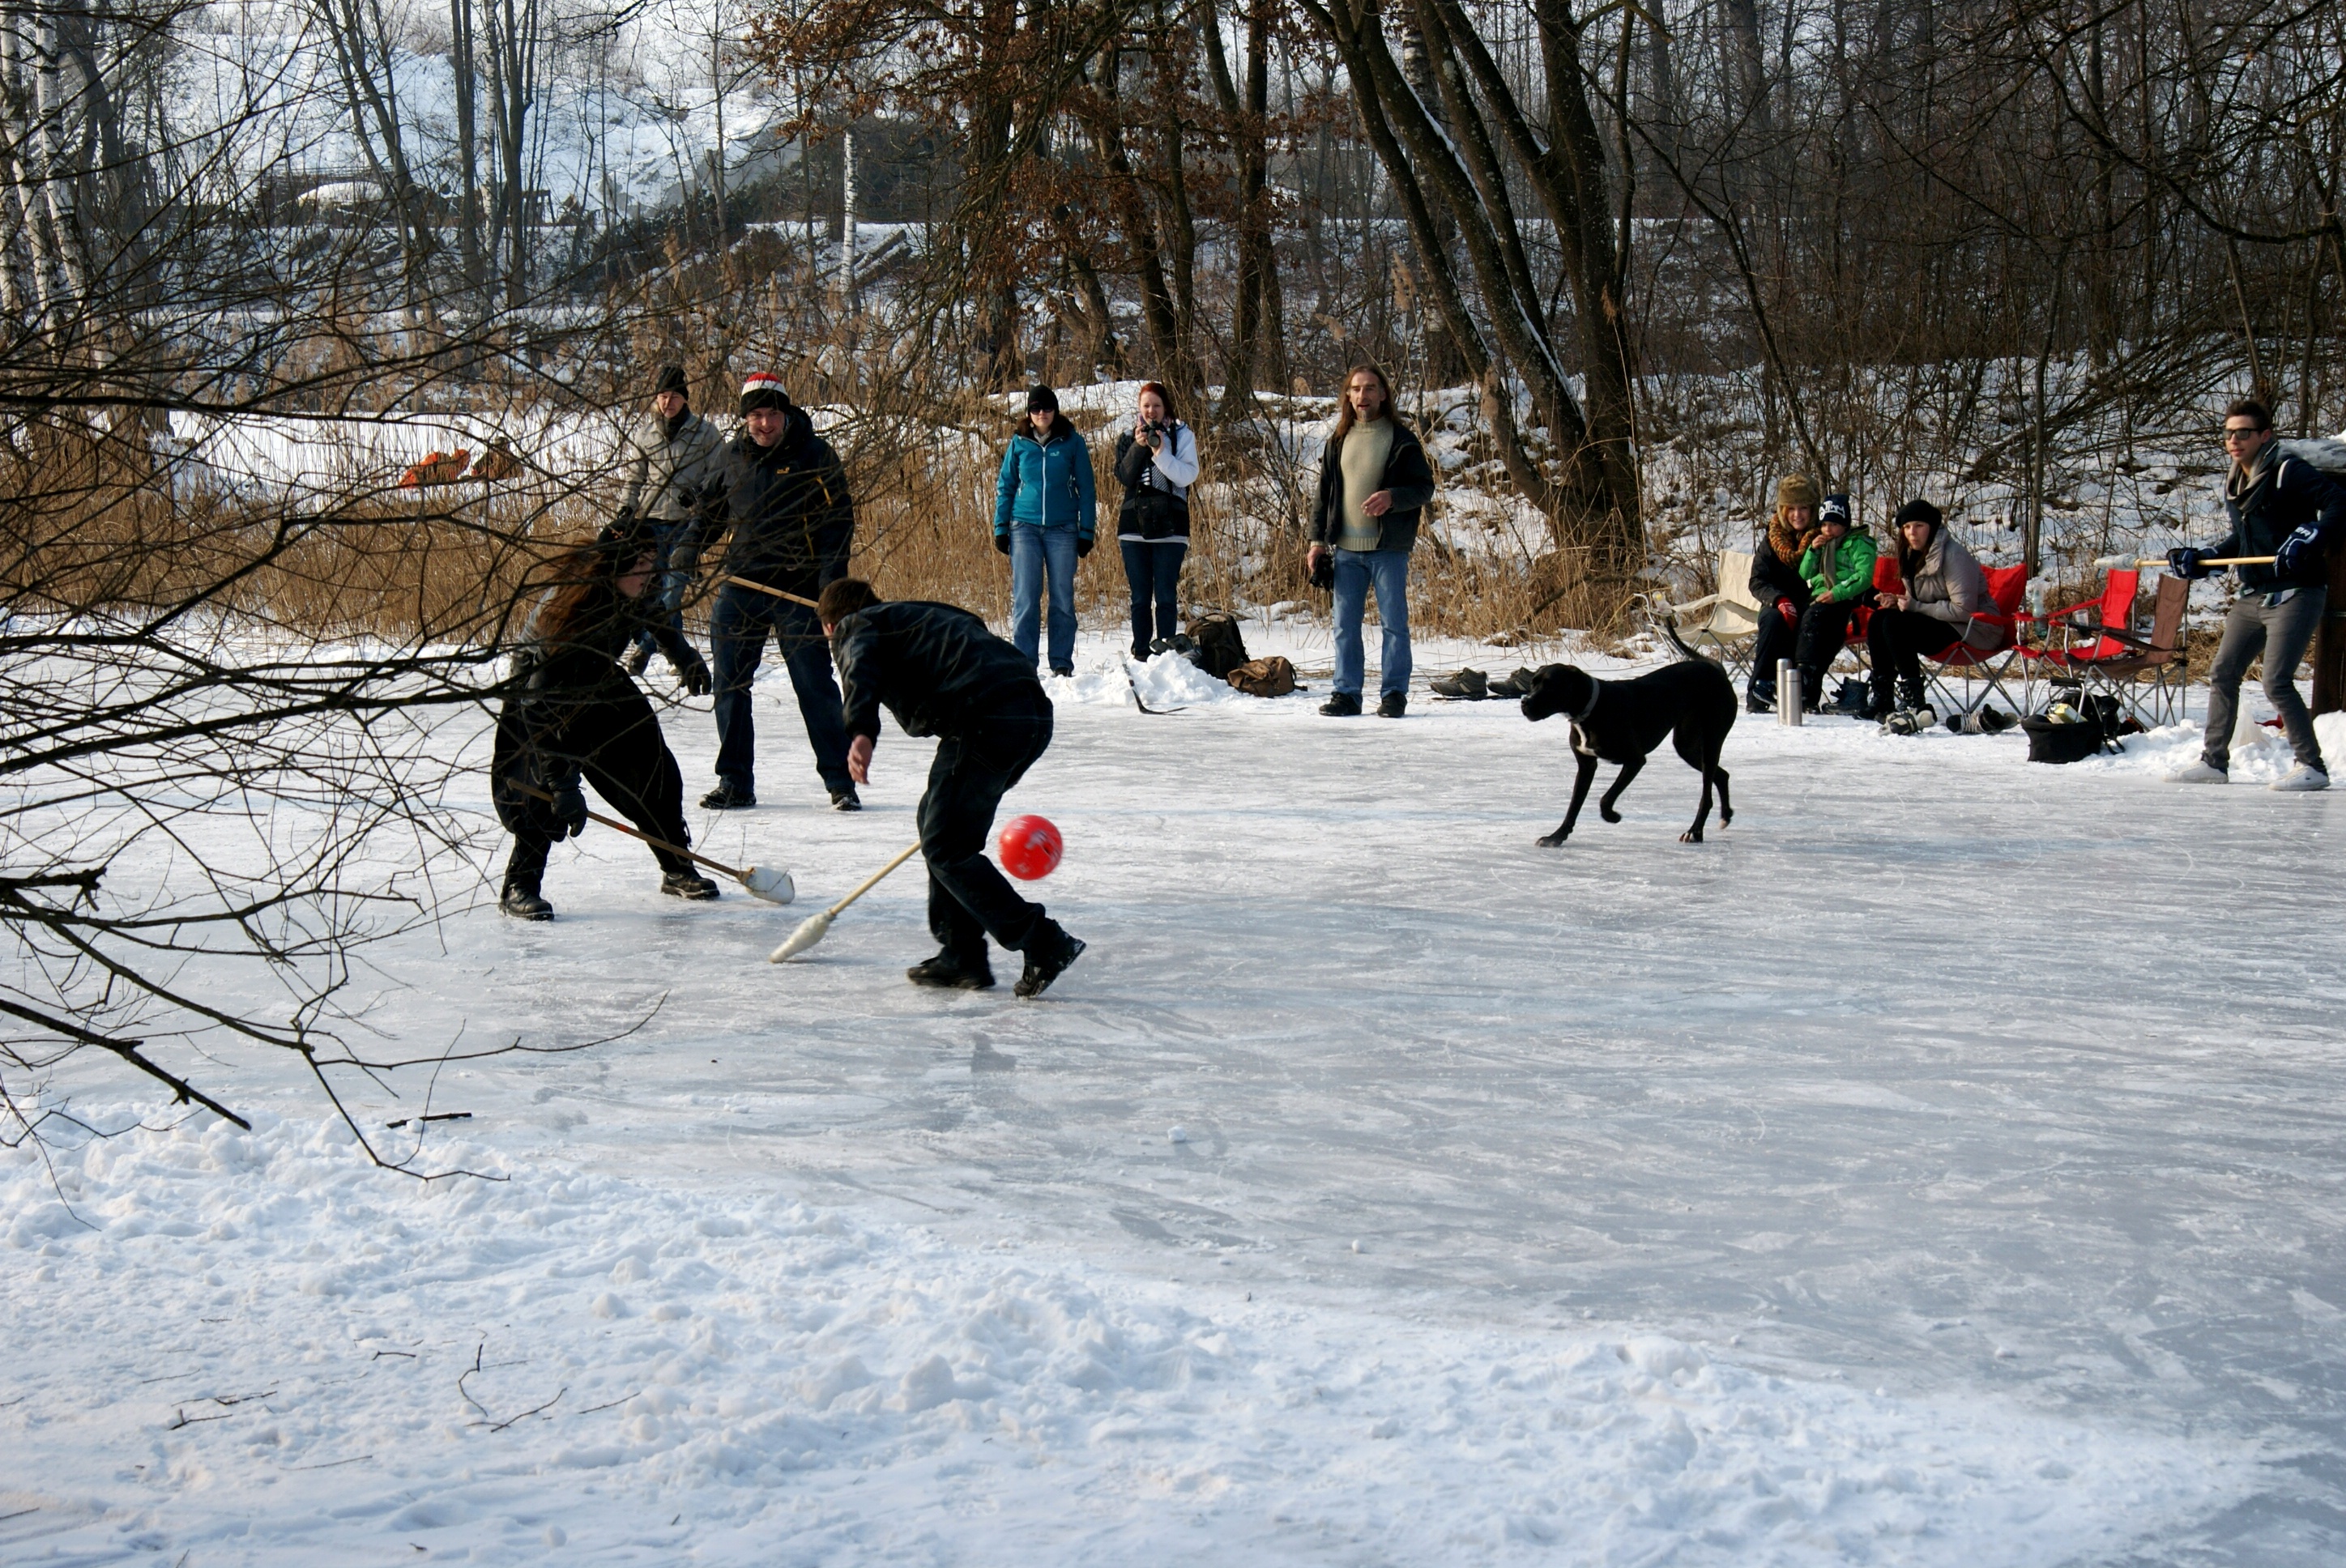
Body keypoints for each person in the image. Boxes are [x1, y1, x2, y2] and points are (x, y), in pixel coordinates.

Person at [821, 577, 1086, 998]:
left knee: (946, 845)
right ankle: (962, 955)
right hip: (1030, 716)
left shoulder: (856, 626)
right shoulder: (920, 615)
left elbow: (860, 664)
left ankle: (1042, 941)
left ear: (830, 626)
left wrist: (861, 732)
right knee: (936, 823)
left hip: (983, 718)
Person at [491, 524, 717, 919]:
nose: (649, 574)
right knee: (541, 790)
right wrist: (563, 784)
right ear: (614, 566)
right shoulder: (570, 612)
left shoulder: (634, 588)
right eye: (639, 565)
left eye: (651, 563)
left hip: (600, 680)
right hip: (538, 695)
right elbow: (539, 701)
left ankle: (677, 866)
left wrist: (684, 655)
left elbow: (654, 614)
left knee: (651, 765)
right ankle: (519, 885)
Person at [675, 371, 860, 812]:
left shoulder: (815, 455)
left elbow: (837, 524)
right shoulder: (731, 456)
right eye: (755, 415)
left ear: (785, 413)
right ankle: (735, 781)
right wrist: (688, 548)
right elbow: (710, 514)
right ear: (745, 418)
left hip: (798, 589)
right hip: (741, 586)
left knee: (813, 685)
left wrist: (830, 587)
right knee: (730, 685)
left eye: (771, 414)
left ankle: (840, 782)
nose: (764, 424)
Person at [2165, 397, 2346, 790]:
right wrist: (2207, 557)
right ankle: (2214, 763)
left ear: (2265, 436)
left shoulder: (2287, 470)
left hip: (2297, 592)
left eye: (2244, 433)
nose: (2234, 440)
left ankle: (2312, 767)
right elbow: (2245, 541)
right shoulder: (2237, 482)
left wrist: (2313, 533)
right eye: (2229, 433)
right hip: (2253, 594)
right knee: (2223, 673)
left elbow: (2339, 502)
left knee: (2276, 680)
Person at [1306, 364, 1437, 718]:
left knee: (1394, 625)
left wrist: (1393, 497)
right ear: (1348, 396)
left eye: (1370, 388)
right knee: (1345, 627)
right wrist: (1317, 541)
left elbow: (1424, 488)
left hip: (1388, 550)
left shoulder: (1402, 439)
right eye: (1356, 388)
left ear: (1383, 394)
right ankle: (1347, 695)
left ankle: (1394, 695)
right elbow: (1323, 494)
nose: (1362, 395)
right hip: (1346, 550)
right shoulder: (1338, 440)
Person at [617, 364, 725, 676]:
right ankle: (678, 655)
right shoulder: (645, 434)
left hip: (687, 525)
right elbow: (634, 478)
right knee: (654, 592)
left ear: (685, 398)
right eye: (663, 396)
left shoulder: (705, 433)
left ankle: (646, 648)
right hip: (650, 523)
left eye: (675, 396)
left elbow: (719, 474)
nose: (668, 402)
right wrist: (626, 510)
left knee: (674, 587)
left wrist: (698, 494)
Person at [992, 386, 1097, 676]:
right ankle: (1025, 663)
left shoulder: (1072, 441)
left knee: (1062, 597)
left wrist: (1087, 530)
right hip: (1023, 526)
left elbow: (1087, 489)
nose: (1042, 414)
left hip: (1062, 528)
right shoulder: (1019, 442)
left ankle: (1061, 662)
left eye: (1047, 408)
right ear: (1029, 412)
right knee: (1026, 597)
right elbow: (1006, 485)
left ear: (1056, 411)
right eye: (1036, 409)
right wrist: (1001, 527)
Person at [1862, 500, 1991, 725]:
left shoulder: (1953, 556)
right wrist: (1897, 602)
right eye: (1907, 527)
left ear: (1932, 527)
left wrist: (1914, 607)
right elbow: (1922, 600)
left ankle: (1915, 702)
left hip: (1974, 628)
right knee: (1880, 618)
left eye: (1919, 526)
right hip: (1940, 621)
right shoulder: (1913, 554)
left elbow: (1964, 610)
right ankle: (1883, 696)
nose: (1912, 532)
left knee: (1895, 624)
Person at [1112, 381, 1199, 658]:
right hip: (1133, 527)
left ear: (1166, 407)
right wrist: (1139, 447)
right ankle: (1141, 653)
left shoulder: (1182, 435)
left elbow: (1186, 476)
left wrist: (1161, 452)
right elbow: (1124, 477)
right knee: (1139, 597)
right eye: (1146, 406)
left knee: (1165, 596)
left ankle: (1167, 652)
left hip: (1171, 526)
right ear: (1140, 408)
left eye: (1157, 405)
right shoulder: (1128, 437)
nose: (1152, 411)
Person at [1790, 494, 1876, 712]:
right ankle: (1796, 683)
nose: (1828, 530)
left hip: (1846, 598)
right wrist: (1813, 551)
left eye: (1834, 524)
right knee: (1794, 618)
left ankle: (1804, 680)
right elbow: (1804, 574)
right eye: (1824, 524)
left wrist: (1836, 593)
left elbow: (1864, 576)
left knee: (1816, 620)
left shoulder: (1859, 543)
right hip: (1818, 597)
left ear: (1845, 525)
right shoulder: (1822, 544)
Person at [1746, 475, 1818, 712]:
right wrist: (1779, 600)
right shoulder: (1772, 538)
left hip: (1813, 602)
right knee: (1772, 620)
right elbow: (1757, 580)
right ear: (1783, 510)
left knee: (1813, 620)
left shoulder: (1823, 537)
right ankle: (1758, 692)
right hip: (1778, 602)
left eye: (1803, 508)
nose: (1797, 515)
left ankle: (1805, 694)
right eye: (1791, 508)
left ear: (1812, 510)